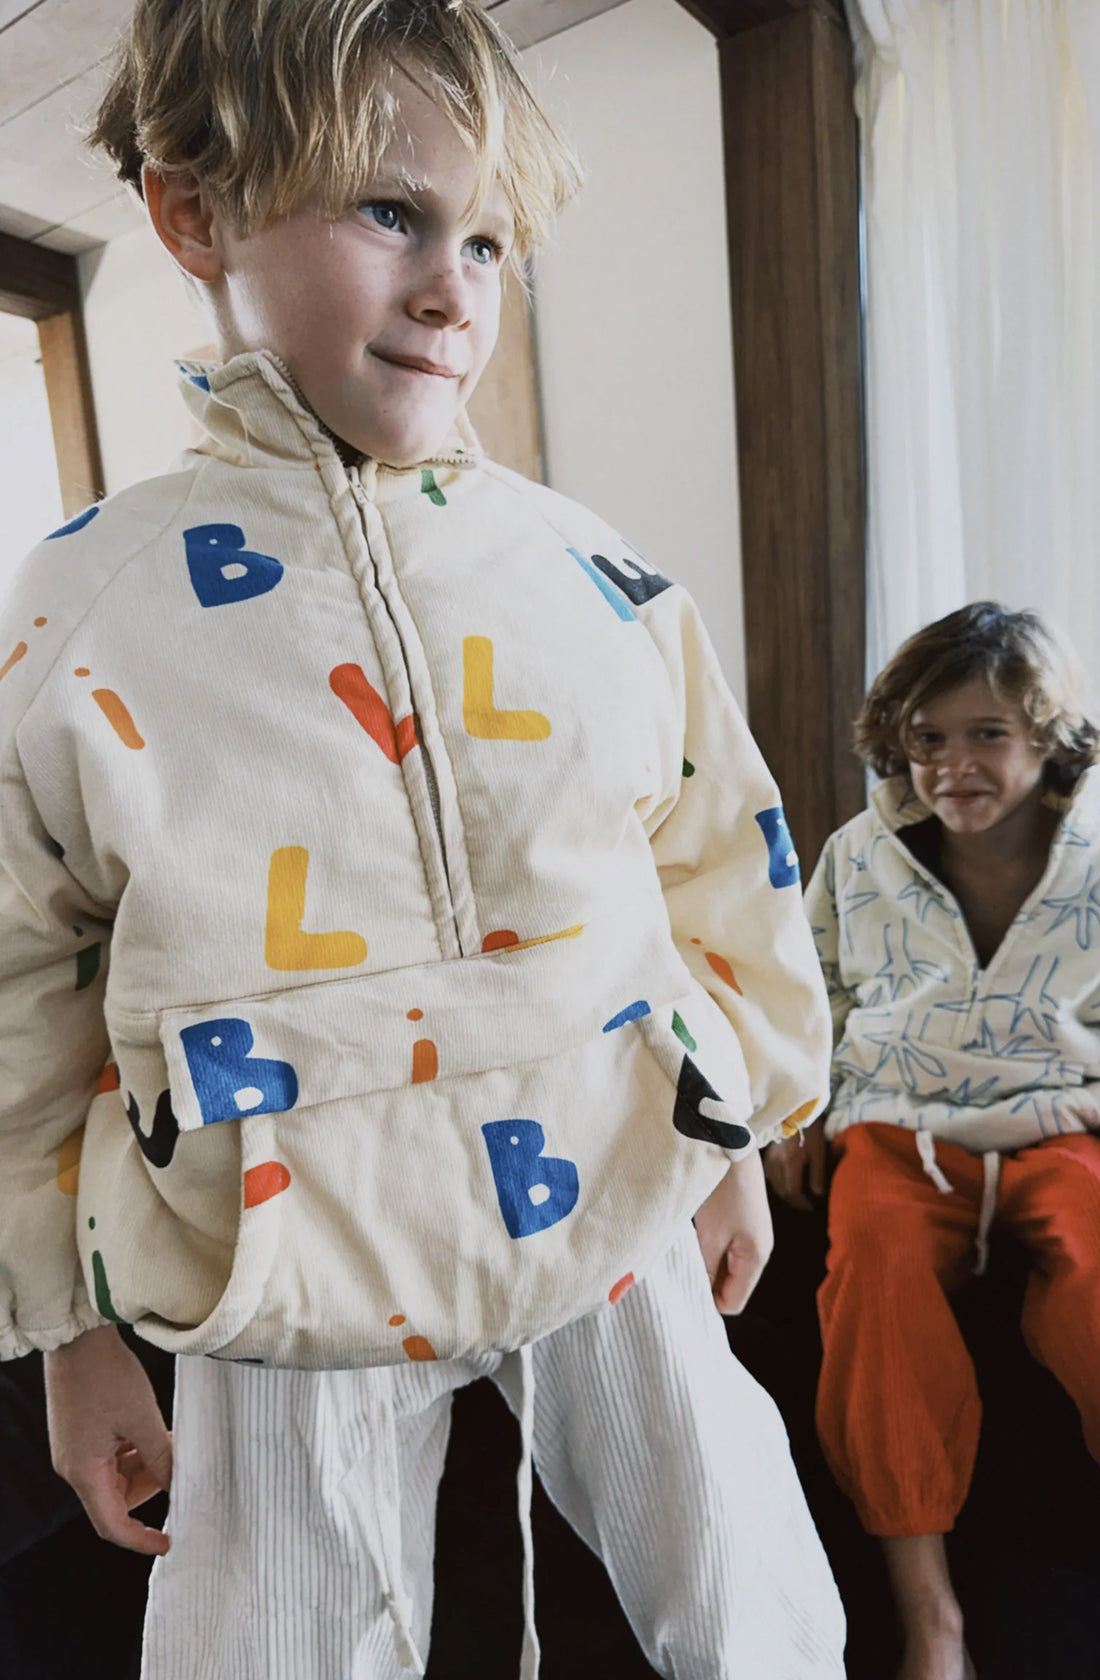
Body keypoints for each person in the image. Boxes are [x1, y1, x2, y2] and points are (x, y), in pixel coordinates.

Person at [0, 3, 845, 1676]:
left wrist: (733, 1123)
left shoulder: (586, 570)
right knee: (279, 1644)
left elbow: (710, 853)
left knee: (750, 1601)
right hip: (286, 1220)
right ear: (196, 213)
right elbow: (24, 988)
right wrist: (68, 1335)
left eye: (488, 238)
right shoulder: (84, 607)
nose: (456, 286)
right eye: (389, 212)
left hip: (598, 1161)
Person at [767, 601, 1100, 1680]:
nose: (951, 763)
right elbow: (799, 990)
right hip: (897, 1126)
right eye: (925, 738)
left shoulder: (1093, 856)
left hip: (1061, 1121)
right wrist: (796, 1110)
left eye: (985, 734)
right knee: (870, 1277)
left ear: (1045, 738)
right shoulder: (858, 857)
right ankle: (931, 1619)